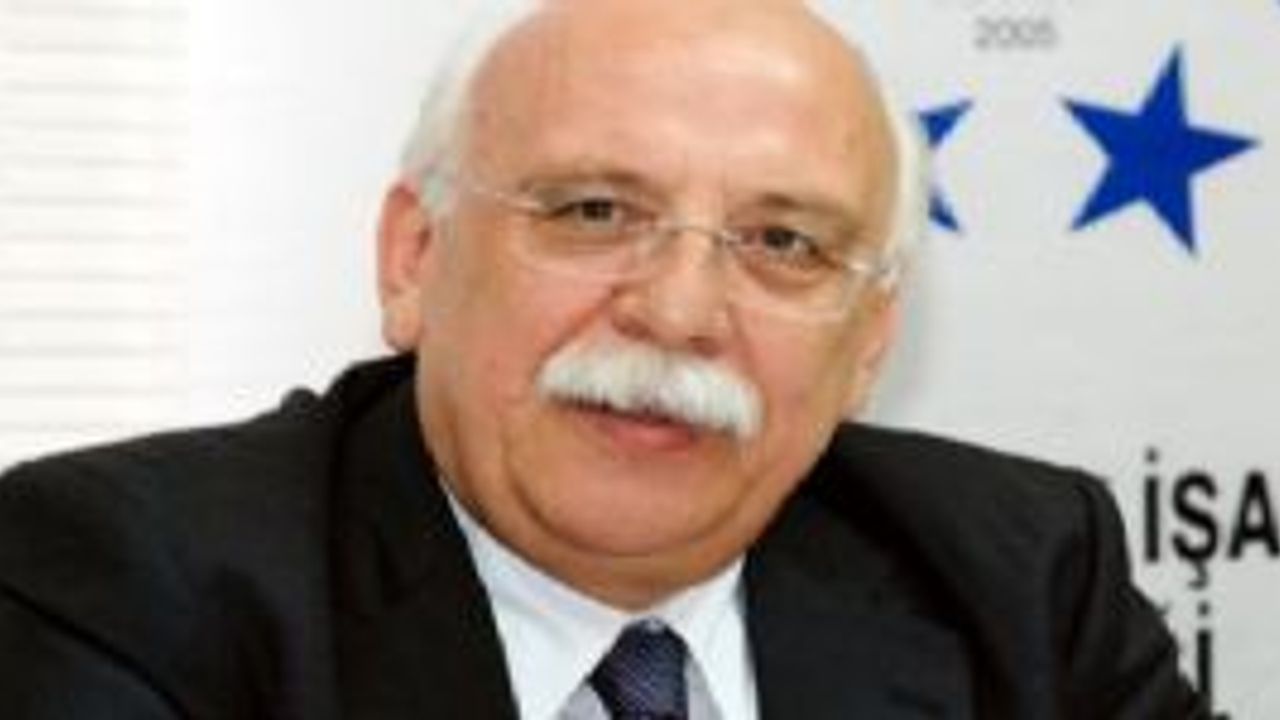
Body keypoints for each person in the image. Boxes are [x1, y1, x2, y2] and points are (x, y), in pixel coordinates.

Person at [0, 0, 1205, 717]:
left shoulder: (1024, 579)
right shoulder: (126, 585)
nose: (678, 312)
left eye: (782, 242)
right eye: (593, 212)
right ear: (414, 259)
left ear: (868, 344)